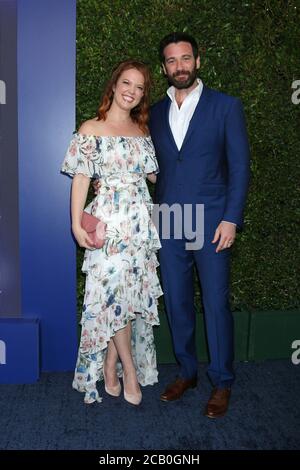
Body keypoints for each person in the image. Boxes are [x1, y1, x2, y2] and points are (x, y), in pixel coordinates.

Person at [149, 32, 250, 418]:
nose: (180, 66)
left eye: (186, 58)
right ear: (164, 67)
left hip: (211, 221)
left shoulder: (225, 107)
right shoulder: (155, 112)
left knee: (215, 302)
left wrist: (231, 218)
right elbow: (160, 165)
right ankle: (187, 372)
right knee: (176, 302)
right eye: (172, 61)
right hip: (169, 219)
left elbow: (240, 167)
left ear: (197, 61)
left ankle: (221, 381)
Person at [61, 60, 163, 405]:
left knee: (129, 297)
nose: (131, 91)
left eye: (139, 87)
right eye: (126, 83)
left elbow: (156, 178)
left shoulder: (143, 132)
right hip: (108, 224)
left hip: (139, 224)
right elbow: (81, 179)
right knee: (113, 297)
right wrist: (76, 223)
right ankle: (129, 371)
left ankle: (110, 364)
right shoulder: (91, 128)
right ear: (114, 85)